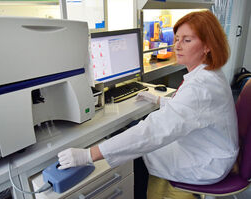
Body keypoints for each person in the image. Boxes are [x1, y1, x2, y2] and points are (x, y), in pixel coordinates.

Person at [57, 10, 239, 198]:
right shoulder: (209, 73)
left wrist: (90, 154)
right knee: (135, 128)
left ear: (207, 46)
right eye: (176, 39)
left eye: (187, 40)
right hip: (212, 147)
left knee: (138, 149)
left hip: (206, 163)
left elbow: (154, 130)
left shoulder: (201, 86)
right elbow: (196, 111)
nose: (177, 46)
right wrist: (161, 100)